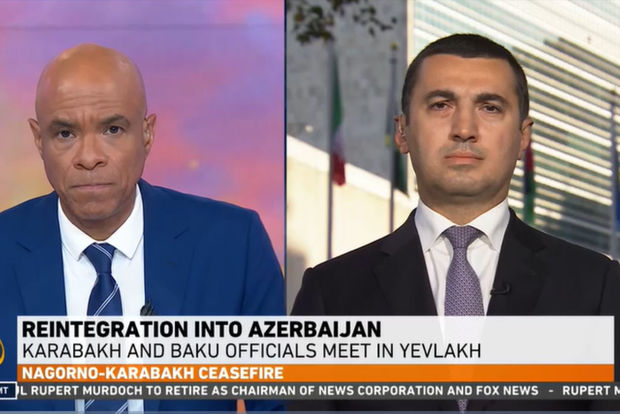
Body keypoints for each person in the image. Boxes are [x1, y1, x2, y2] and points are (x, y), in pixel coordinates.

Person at [291, 33, 620, 411]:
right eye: (441, 105)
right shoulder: (330, 293)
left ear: (523, 136)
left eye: (490, 107)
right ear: (402, 132)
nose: (464, 129)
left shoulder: (597, 287)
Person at [0, 44, 285, 411]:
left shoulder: (233, 244)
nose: (89, 157)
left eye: (112, 129)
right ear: (39, 140)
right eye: (66, 134)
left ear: (147, 134)